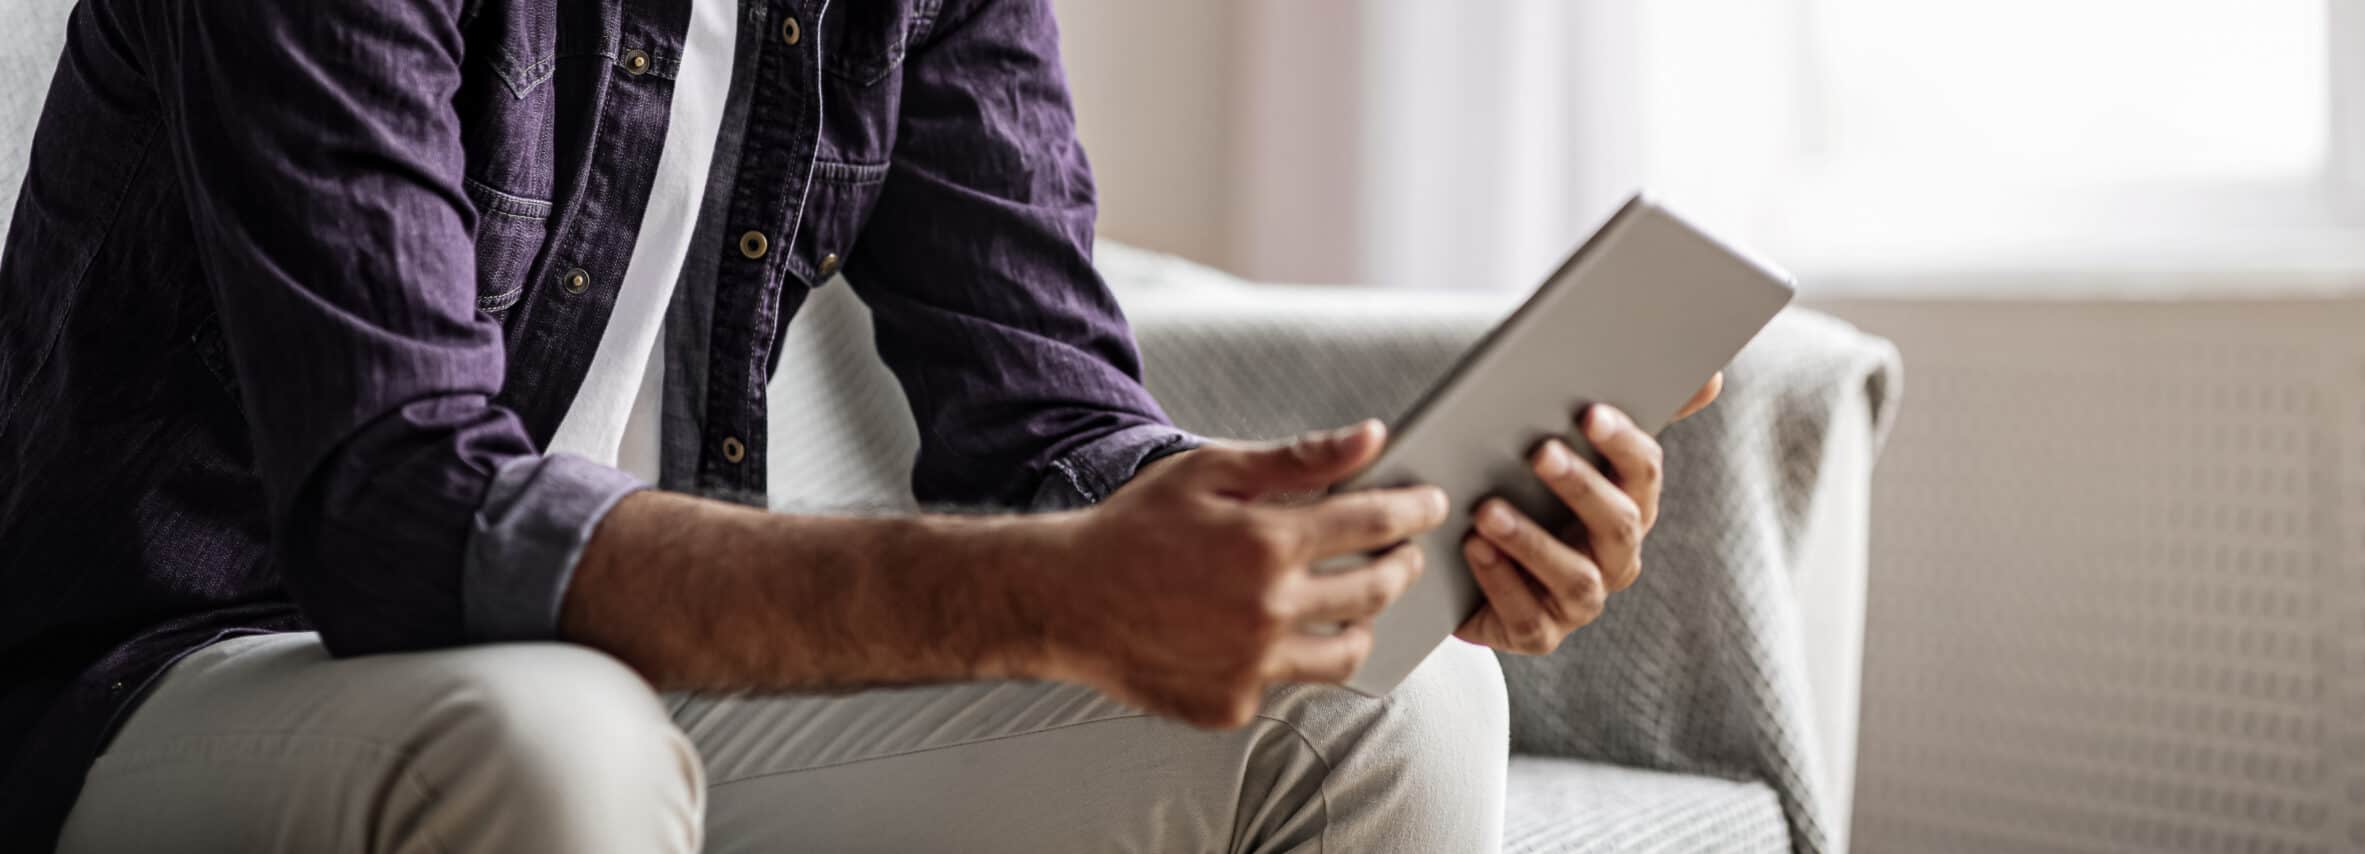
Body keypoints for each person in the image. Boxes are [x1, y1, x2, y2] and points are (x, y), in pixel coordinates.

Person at [0, 0, 1720, 849]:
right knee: (553, 739)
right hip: (185, 670)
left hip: (663, 675)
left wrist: (1357, 536)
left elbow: (1049, 423)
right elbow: (396, 510)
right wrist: (1058, 595)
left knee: (1385, 705)